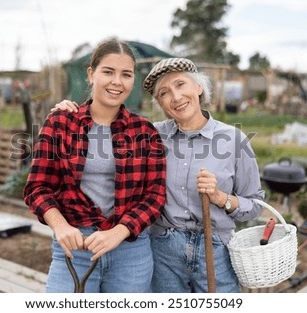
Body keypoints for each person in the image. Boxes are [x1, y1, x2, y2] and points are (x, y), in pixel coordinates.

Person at [54, 57, 265, 293]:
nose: (175, 97)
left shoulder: (234, 140)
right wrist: (70, 111)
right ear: (160, 104)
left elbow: (255, 203)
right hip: (164, 249)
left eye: (181, 85)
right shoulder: (148, 134)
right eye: (164, 93)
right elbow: (106, 120)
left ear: (198, 87)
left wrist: (221, 198)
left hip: (214, 249)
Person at [24, 39, 167, 293]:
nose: (117, 82)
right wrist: (61, 226)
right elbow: (37, 187)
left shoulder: (144, 131)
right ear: (91, 75)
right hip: (75, 247)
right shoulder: (60, 123)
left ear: (133, 80)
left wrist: (119, 232)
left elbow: (154, 196)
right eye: (108, 72)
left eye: (126, 74)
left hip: (130, 252)